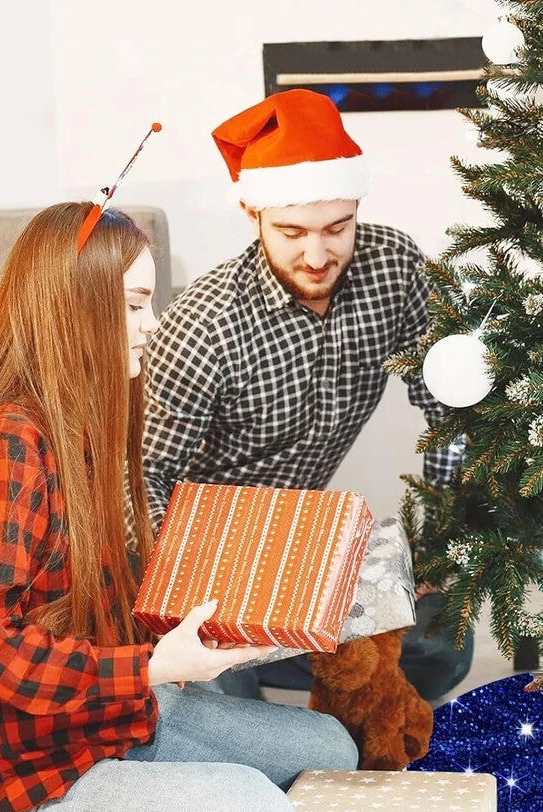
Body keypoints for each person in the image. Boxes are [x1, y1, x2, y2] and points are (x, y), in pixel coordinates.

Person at [0, 202, 357, 812]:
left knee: (333, 748)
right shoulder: (6, 447)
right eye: (136, 305)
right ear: (74, 309)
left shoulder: (73, 425)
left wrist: (214, 618)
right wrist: (148, 669)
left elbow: (84, 601)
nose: (154, 327)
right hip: (13, 785)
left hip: (93, 720)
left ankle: (156, 773)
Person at [139, 89, 474, 701]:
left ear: (356, 207)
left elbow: (447, 407)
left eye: (336, 228)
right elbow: (144, 477)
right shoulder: (203, 325)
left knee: (441, 645)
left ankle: (305, 675)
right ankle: (240, 688)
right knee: (238, 745)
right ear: (253, 214)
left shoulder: (395, 266)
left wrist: (434, 546)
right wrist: (193, 604)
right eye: (291, 232)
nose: (316, 255)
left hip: (310, 540)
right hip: (211, 559)